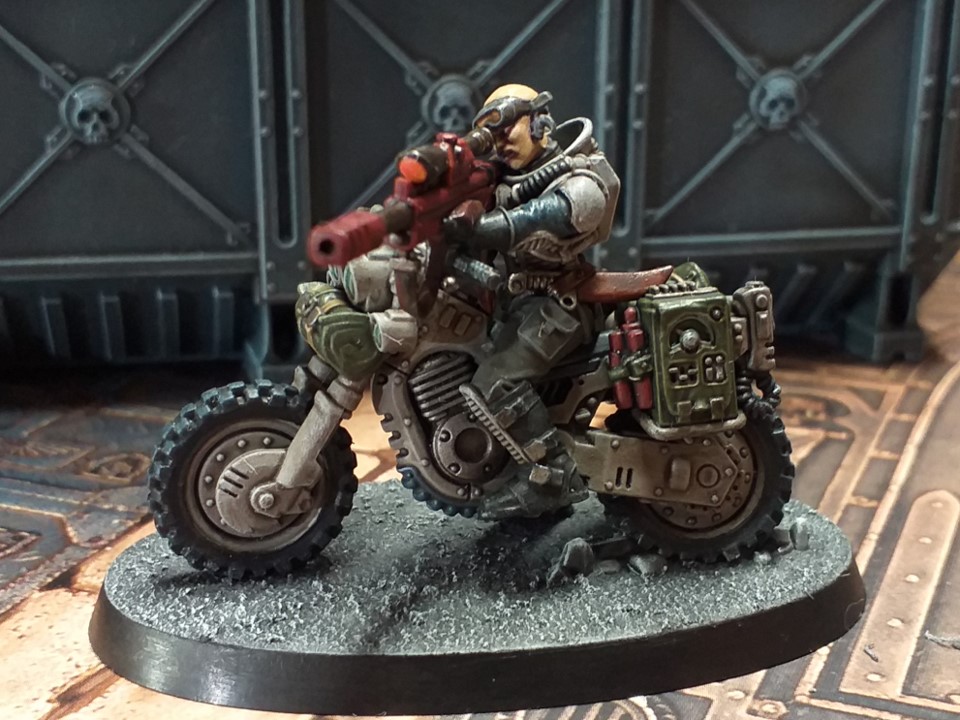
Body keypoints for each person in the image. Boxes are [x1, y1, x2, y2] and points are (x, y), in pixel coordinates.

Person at [454, 83, 621, 519]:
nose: (501, 142)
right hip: (518, 302)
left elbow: (559, 213)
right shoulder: (504, 180)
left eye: (508, 128)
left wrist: (482, 228)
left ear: (539, 121)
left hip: (561, 306)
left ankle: (553, 479)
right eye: (492, 135)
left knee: (495, 382)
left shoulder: (577, 176)